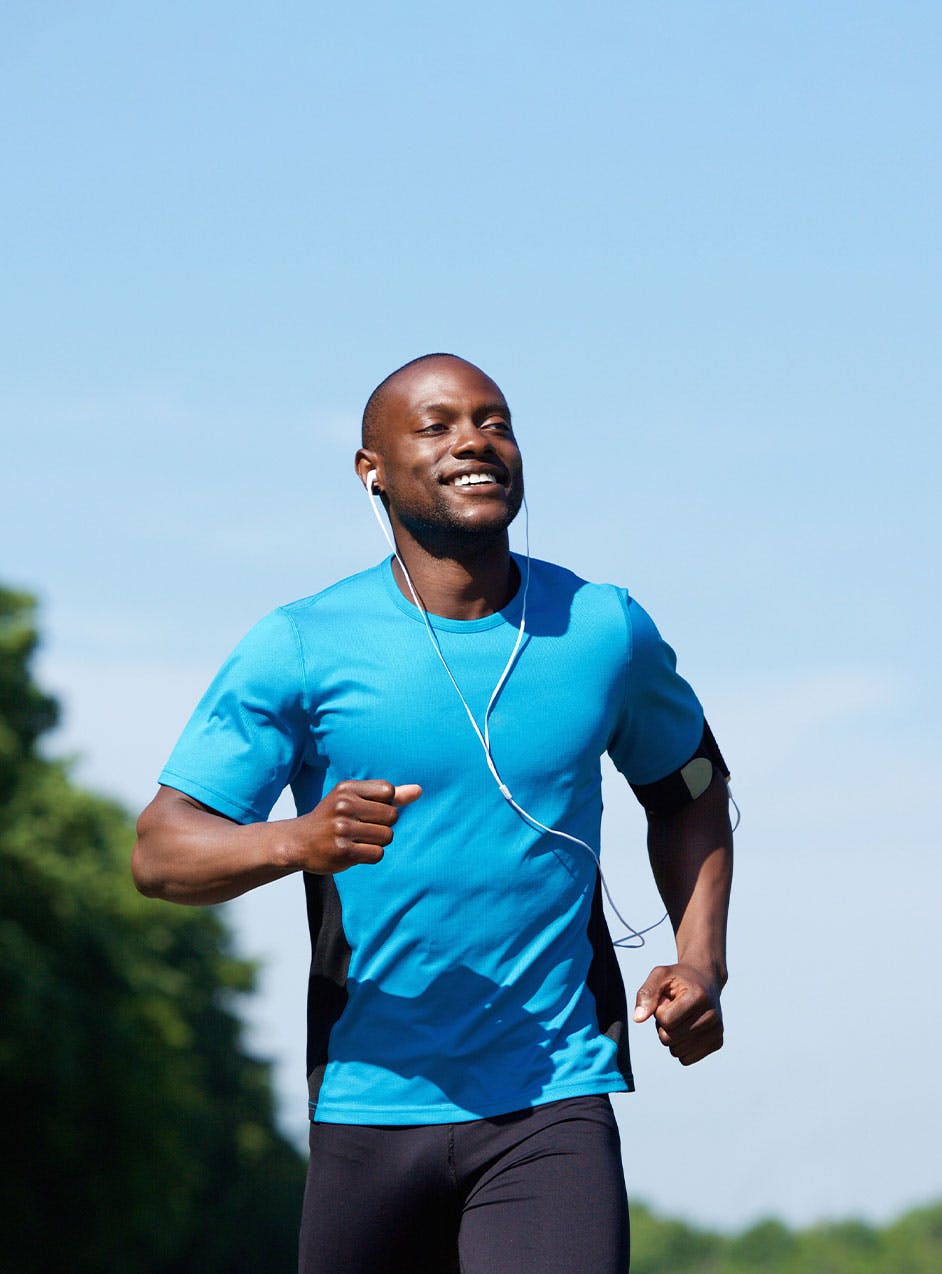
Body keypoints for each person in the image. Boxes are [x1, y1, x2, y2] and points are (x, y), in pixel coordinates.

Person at [132, 353, 733, 1274]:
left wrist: (701, 962)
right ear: (371, 468)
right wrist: (299, 839)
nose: (475, 442)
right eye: (439, 424)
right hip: (369, 1108)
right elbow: (162, 852)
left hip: (552, 1099)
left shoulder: (603, 629)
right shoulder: (302, 643)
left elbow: (690, 794)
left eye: (494, 421)